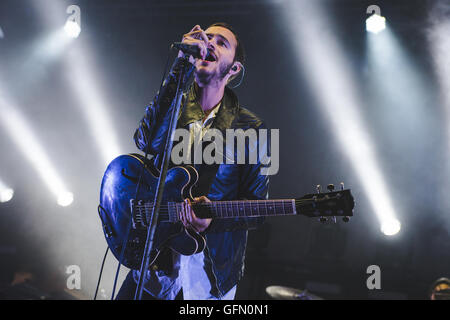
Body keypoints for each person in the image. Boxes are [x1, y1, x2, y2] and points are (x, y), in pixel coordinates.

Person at [116, 22, 270, 300]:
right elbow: (145, 141)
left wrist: (212, 221)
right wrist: (180, 66)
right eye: (206, 38)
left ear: (234, 69)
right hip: (154, 265)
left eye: (221, 42)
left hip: (207, 275)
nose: (209, 43)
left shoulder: (251, 129)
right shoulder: (174, 106)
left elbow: (256, 210)